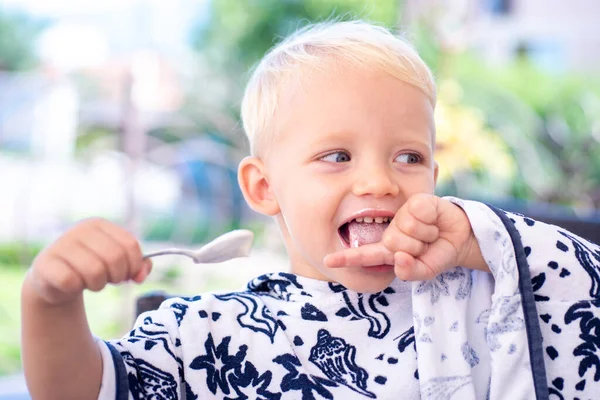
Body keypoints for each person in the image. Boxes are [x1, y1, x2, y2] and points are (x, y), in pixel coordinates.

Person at [21, 20, 600, 400]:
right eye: (337, 155)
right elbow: (83, 392)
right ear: (264, 187)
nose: (378, 180)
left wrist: (481, 243)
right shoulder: (207, 335)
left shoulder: (488, 299)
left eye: (408, 156)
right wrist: (49, 301)